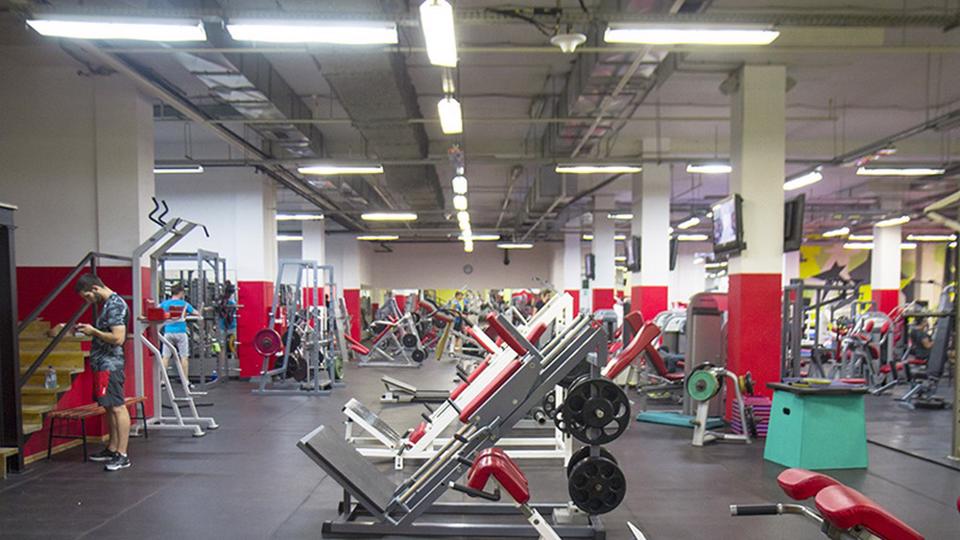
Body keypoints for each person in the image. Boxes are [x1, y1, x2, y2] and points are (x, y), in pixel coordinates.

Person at [51, 274, 131, 471]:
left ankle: (122, 454)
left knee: (118, 407)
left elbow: (118, 338)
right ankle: (112, 448)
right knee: (109, 406)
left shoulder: (115, 305)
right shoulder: (107, 305)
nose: (88, 301)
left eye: (87, 296)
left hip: (110, 364)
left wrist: (94, 331)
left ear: (95, 288)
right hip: (102, 363)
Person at [159, 283, 197, 384]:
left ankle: (162, 380)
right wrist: (186, 313)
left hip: (168, 332)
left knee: (165, 357)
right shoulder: (185, 304)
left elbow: (156, 312)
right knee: (184, 357)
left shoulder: (165, 304)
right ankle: (186, 381)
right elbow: (197, 313)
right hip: (181, 333)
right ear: (180, 293)